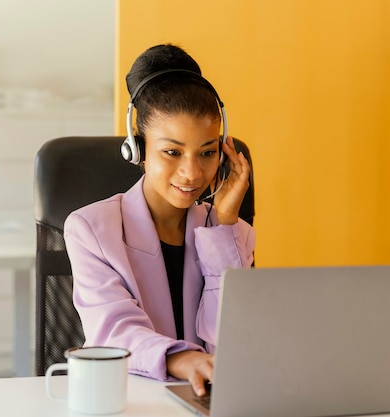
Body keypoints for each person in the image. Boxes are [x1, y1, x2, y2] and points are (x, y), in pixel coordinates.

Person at [63, 44, 255, 396]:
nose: (192, 172)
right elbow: (114, 330)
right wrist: (183, 361)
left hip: (208, 402)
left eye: (208, 152)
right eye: (172, 151)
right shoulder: (91, 230)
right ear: (137, 149)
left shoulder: (233, 232)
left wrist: (223, 226)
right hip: (132, 399)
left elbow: (232, 341)